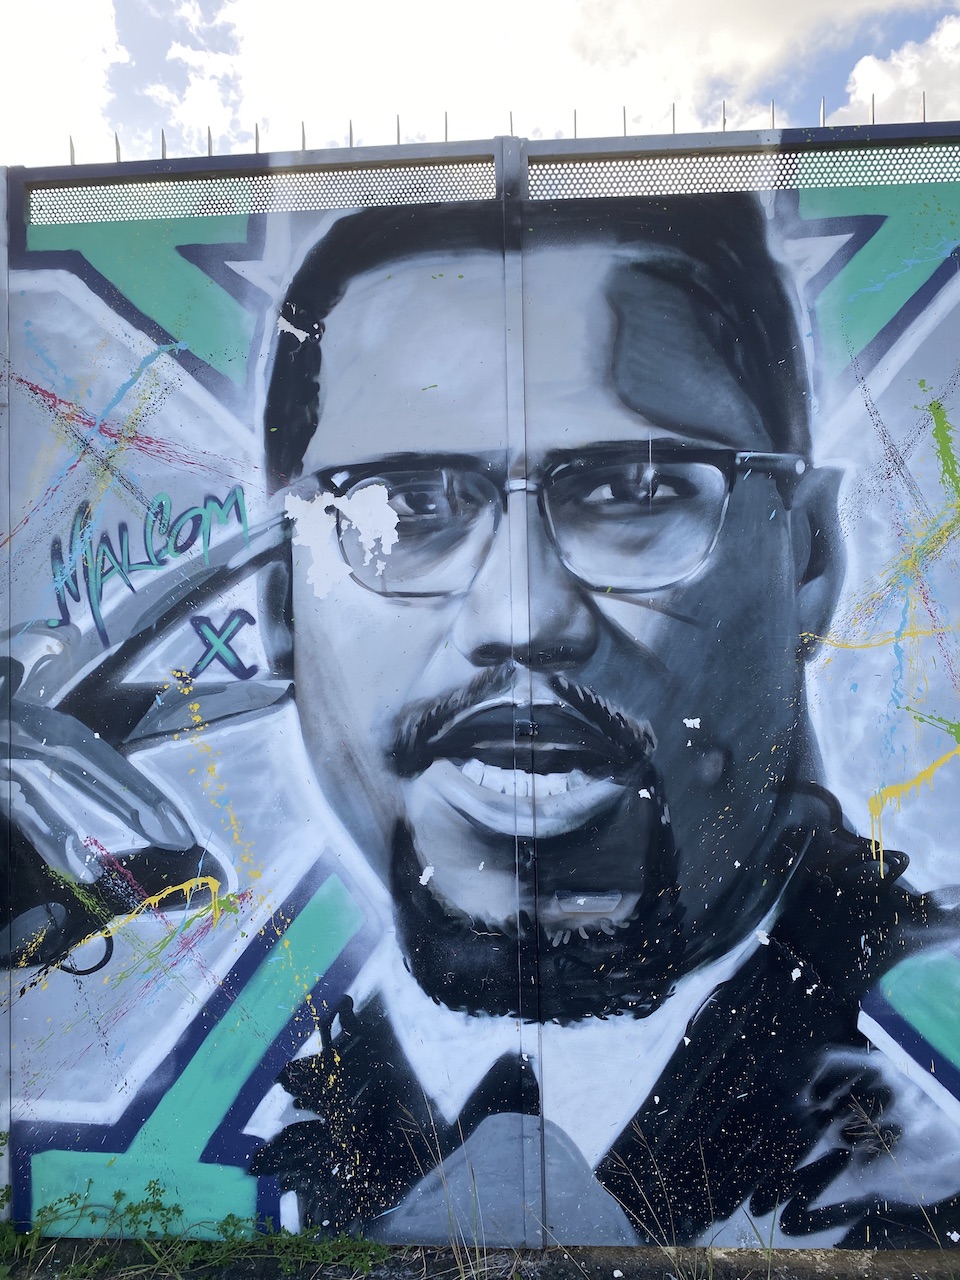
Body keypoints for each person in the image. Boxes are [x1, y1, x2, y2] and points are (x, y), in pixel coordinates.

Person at [5, 194, 960, 1250]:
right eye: (405, 505)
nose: (523, 616)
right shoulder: (287, 1100)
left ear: (808, 555)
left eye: (636, 487)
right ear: (282, 609)